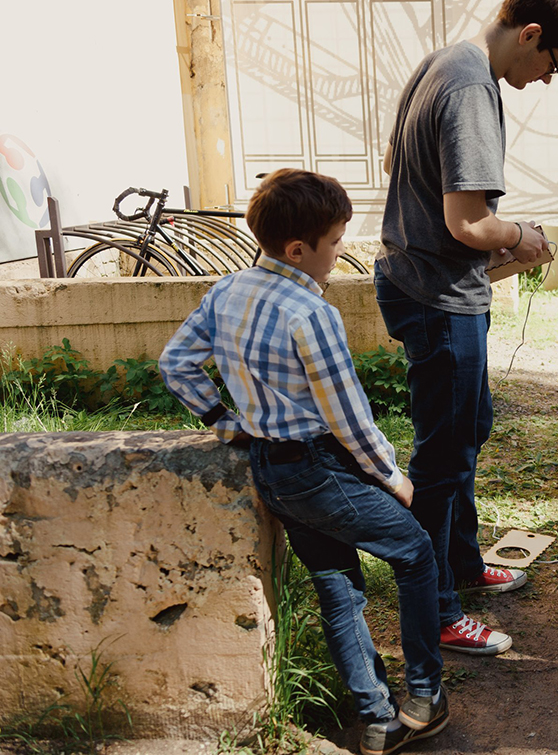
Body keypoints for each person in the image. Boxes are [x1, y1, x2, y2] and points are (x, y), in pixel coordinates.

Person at [159, 169, 448, 755]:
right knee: (415, 552)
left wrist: (224, 419)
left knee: (336, 582)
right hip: (318, 467)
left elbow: (176, 364)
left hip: (270, 466)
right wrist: (392, 476)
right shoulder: (311, 314)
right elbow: (347, 416)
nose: (341, 251)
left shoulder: (226, 291)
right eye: (337, 240)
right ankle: (425, 694)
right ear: (299, 249)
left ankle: (377, 721)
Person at [374, 0, 558, 656]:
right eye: (550, 66)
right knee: (442, 457)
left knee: (469, 430)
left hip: (426, 284)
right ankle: (437, 610)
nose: (543, 80)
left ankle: (462, 565)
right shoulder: (471, 86)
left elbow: (395, 163)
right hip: (439, 297)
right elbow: (467, 220)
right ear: (530, 36)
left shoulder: (444, 61)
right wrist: (522, 236)